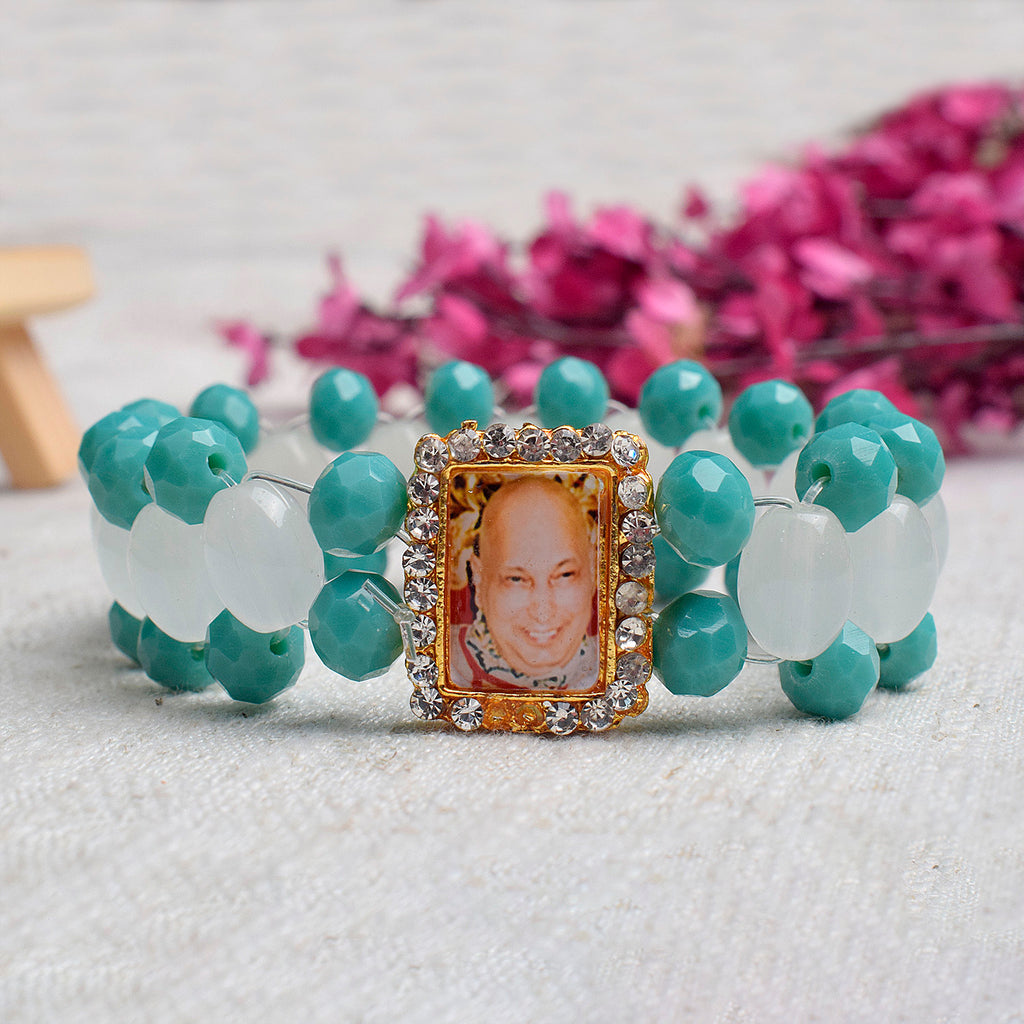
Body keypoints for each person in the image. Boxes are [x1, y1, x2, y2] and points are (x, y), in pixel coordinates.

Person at [449, 475, 599, 692]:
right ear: (479, 579)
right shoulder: (450, 665)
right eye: (516, 579)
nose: (542, 613)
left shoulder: (610, 663)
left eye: (565, 575)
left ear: (592, 571)